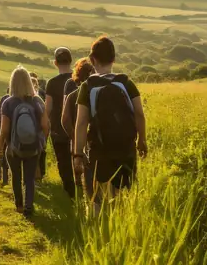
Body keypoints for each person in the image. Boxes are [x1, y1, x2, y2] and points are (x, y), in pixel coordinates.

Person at [74, 35, 147, 210]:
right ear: (114, 59)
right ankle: (122, 225)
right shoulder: (126, 83)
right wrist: (142, 140)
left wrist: (78, 154)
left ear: (92, 60)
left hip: (99, 149)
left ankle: (101, 229)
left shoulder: (88, 86)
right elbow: (139, 114)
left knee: (99, 197)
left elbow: (81, 122)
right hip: (126, 147)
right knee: (125, 195)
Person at [0, 66, 50, 217]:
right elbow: (46, 125)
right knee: (29, 177)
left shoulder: (8, 102)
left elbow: (5, 129)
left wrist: (0, 146)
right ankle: (29, 207)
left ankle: (19, 204)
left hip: (13, 147)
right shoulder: (37, 101)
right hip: (33, 146)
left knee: (16, 175)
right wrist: (42, 141)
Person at [44, 46, 76, 198]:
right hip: (78, 128)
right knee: (79, 159)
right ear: (71, 61)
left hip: (58, 130)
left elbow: (48, 109)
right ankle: (82, 190)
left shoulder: (52, 83)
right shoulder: (78, 80)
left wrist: (43, 127)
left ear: (55, 63)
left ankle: (70, 195)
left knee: (63, 163)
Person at [61, 57, 94, 191]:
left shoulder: (72, 96)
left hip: (76, 141)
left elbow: (64, 120)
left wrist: (74, 136)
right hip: (96, 140)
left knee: (80, 175)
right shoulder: (99, 92)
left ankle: (81, 196)